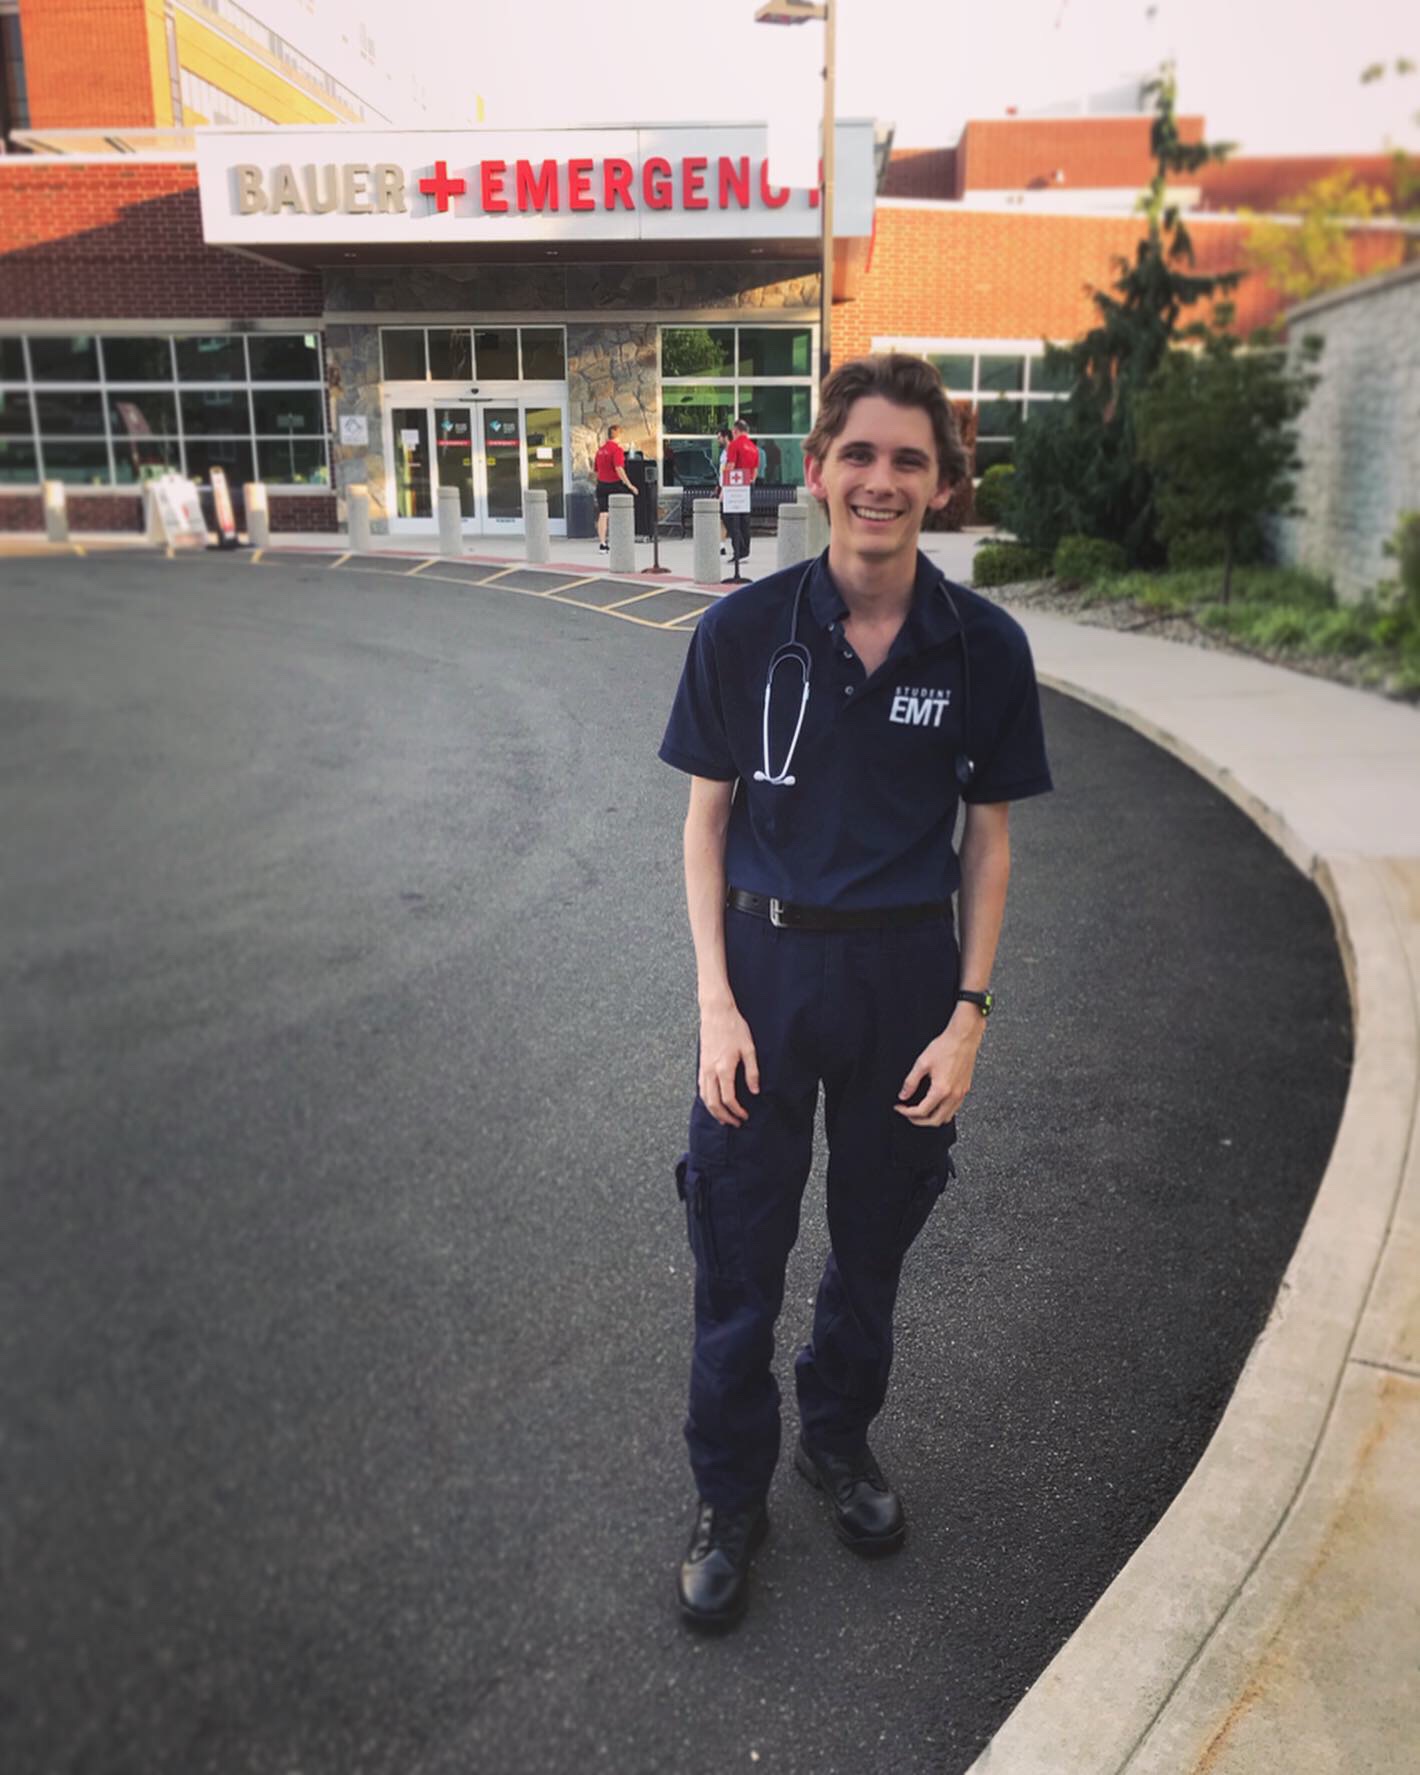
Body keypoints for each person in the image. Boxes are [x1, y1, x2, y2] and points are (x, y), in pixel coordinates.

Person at [658, 353, 1053, 1632]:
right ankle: (730, 1495)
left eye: (910, 460)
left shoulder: (982, 645)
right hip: (766, 971)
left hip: (905, 975)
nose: (881, 480)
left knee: (874, 1244)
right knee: (738, 1249)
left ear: (942, 486)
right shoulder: (738, 633)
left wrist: (969, 1015)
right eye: (861, 453)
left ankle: (836, 1438)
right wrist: (716, 1000)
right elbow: (703, 827)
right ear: (820, 466)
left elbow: (985, 839)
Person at [721, 418, 759, 563]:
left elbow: (730, 466)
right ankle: (745, 550)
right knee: (744, 518)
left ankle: (739, 549)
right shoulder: (753, 447)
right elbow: (755, 470)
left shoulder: (734, 445)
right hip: (748, 484)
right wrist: (750, 483)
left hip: (735, 487)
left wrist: (724, 489)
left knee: (730, 517)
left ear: (735, 431)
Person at [594, 423, 635, 551]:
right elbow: (619, 468)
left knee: (603, 514)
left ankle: (602, 544)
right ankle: (622, 538)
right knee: (626, 506)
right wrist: (630, 485)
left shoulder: (600, 450)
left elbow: (596, 469)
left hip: (601, 485)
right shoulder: (617, 450)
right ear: (619, 435)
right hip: (615, 485)